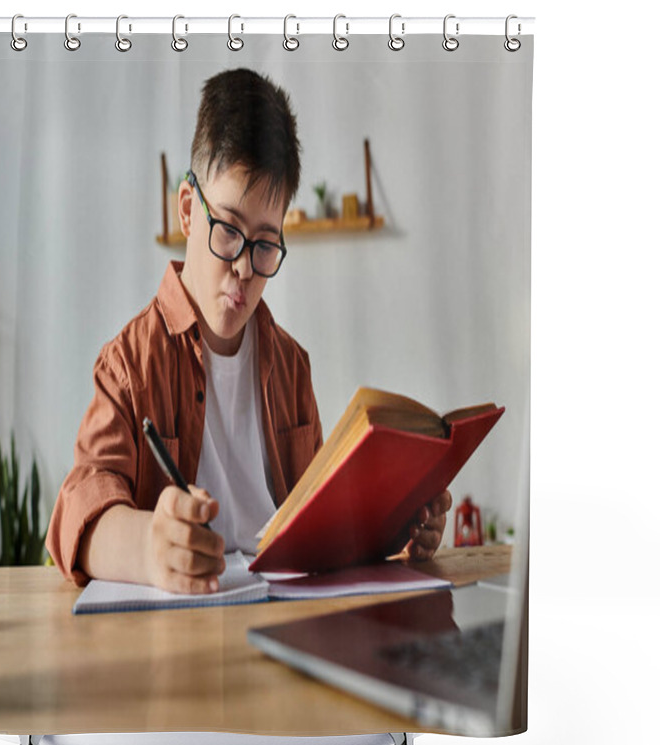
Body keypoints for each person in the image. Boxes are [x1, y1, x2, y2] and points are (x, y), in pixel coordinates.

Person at [46, 68, 451, 594]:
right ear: (189, 211)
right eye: (230, 232)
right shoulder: (127, 364)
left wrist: (400, 525)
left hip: (284, 616)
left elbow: (324, 520)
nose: (243, 267)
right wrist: (149, 546)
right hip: (178, 633)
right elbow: (78, 511)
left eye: (264, 244)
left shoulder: (291, 365)